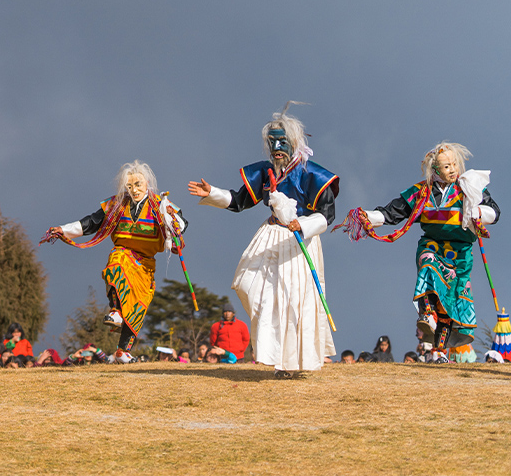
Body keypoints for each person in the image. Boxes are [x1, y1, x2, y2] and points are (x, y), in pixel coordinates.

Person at [189, 104, 338, 378]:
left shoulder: (312, 174)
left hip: (299, 241)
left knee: (293, 301)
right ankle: (274, 351)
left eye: (282, 142)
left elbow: (327, 214)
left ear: (294, 142)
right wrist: (212, 193)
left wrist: (303, 225)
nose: (276, 148)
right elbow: (239, 201)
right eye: (272, 143)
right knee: (249, 285)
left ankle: (287, 364)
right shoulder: (266, 172)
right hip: (270, 235)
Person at [335, 142, 500, 363]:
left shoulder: (470, 188)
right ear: (435, 170)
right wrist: (369, 217)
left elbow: (495, 212)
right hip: (432, 245)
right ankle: (426, 312)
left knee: (447, 306)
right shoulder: (422, 192)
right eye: (446, 166)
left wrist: (478, 212)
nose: (452, 169)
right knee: (428, 262)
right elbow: (394, 212)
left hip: (460, 253)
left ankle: (439, 351)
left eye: (454, 164)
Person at [43, 160, 186, 364]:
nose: (134, 190)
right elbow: (92, 222)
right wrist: (63, 229)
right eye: (129, 186)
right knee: (116, 264)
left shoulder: (160, 204)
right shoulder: (117, 204)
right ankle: (116, 310)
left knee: (138, 306)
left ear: (147, 183)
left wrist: (172, 222)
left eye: (138, 184)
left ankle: (122, 352)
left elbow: (182, 224)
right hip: (124, 252)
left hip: (146, 264)